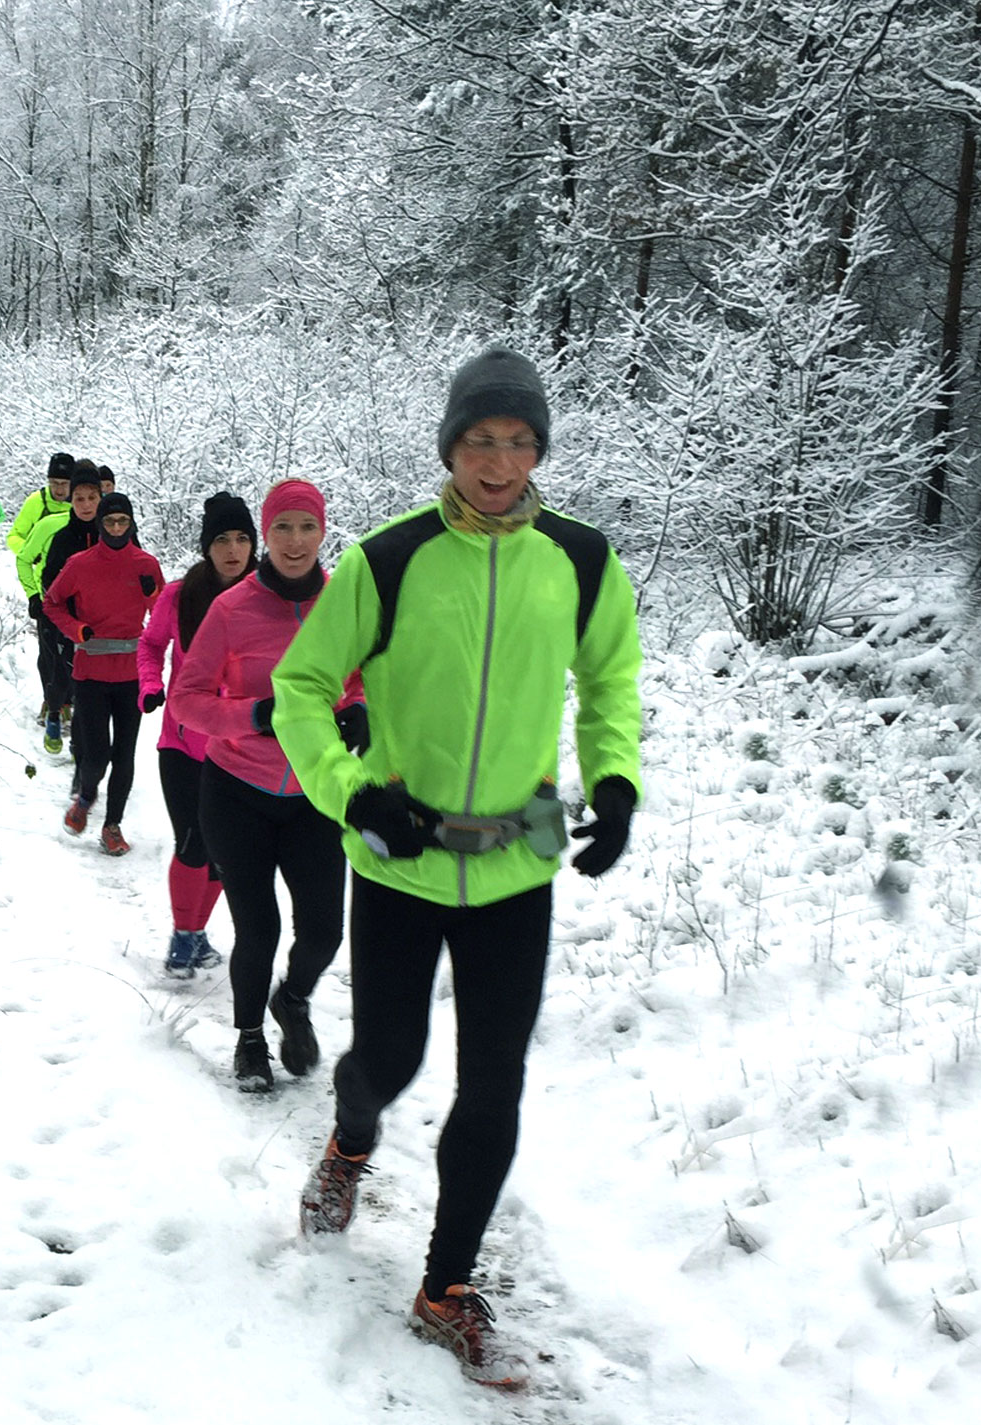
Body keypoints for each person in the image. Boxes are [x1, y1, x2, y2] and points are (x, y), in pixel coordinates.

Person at [271, 347, 643, 1385]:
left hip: (516, 864)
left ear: (540, 451)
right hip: (399, 858)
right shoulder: (386, 560)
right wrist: (351, 791)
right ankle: (349, 1145)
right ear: (449, 447)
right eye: (480, 440)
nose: (499, 460)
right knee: (384, 1063)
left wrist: (613, 784)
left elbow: (611, 684)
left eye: (519, 441)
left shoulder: (579, 559)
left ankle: (444, 1288)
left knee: (494, 1084)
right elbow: (300, 687)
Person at [168, 478, 365, 1092]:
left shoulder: (345, 603)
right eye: (282, 527)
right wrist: (253, 715)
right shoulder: (232, 610)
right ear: (265, 535)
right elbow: (186, 702)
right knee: (260, 929)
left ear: (323, 531)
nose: (296, 540)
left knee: (326, 930)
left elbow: (359, 679)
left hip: (315, 794)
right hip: (237, 792)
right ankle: (250, 1042)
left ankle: (295, 999)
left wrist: (358, 706)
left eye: (307, 527)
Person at [137, 491, 256, 978]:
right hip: (183, 743)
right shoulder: (179, 595)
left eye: (243, 538)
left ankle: (196, 931)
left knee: (225, 855)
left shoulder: (271, 599)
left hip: (242, 749)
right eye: (223, 539)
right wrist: (151, 684)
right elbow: (150, 644)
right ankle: (183, 939)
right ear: (207, 547)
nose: (233, 549)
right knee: (192, 843)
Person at [44, 490, 164, 855]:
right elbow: (52, 603)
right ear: (100, 524)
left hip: (131, 675)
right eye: (109, 521)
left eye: (122, 521)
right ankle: (87, 795)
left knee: (125, 754)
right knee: (96, 754)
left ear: (131, 524)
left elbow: (161, 619)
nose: (115, 527)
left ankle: (112, 826)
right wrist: (77, 630)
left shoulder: (145, 564)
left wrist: (153, 596)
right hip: (90, 673)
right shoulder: (80, 564)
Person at [20, 461, 106, 755]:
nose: (85, 505)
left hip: (101, 625)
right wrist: (37, 598)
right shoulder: (55, 532)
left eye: (92, 497)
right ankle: (54, 711)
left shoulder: (113, 533)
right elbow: (35, 567)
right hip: (61, 620)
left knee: (90, 685)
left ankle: (81, 741)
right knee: (59, 672)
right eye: (78, 498)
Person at [10, 453, 74, 722]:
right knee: (48, 653)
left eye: (64, 483)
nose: (59, 489)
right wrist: (33, 554)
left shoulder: (84, 506)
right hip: (43, 589)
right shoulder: (37, 503)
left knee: (72, 653)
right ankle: (51, 702)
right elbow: (15, 536)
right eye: (54, 482)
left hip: (76, 593)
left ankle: (67, 702)